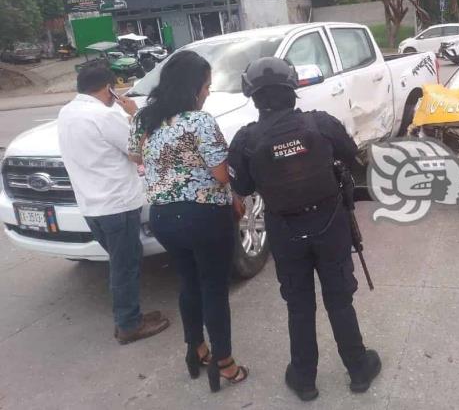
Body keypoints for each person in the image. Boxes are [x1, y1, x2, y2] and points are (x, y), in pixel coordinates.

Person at [228, 58, 381, 402]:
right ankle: (358, 369)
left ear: (253, 97)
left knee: (299, 306)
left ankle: (304, 378)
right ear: (293, 90)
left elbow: (244, 185)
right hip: (330, 225)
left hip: (285, 232)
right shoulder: (322, 123)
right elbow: (352, 155)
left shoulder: (246, 140)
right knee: (339, 299)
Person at [129, 50, 248, 392]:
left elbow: (135, 155)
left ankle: (196, 350)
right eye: (207, 85)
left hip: (163, 217)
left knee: (188, 283)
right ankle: (224, 363)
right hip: (204, 216)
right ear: (193, 87)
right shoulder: (199, 121)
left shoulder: (143, 119)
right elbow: (221, 174)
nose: (208, 92)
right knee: (214, 288)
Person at [58, 62, 170, 344]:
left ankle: (130, 316)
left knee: (121, 263)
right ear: (108, 87)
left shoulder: (68, 112)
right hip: (117, 205)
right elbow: (139, 152)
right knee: (125, 266)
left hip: (91, 206)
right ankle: (129, 324)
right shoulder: (104, 116)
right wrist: (134, 115)